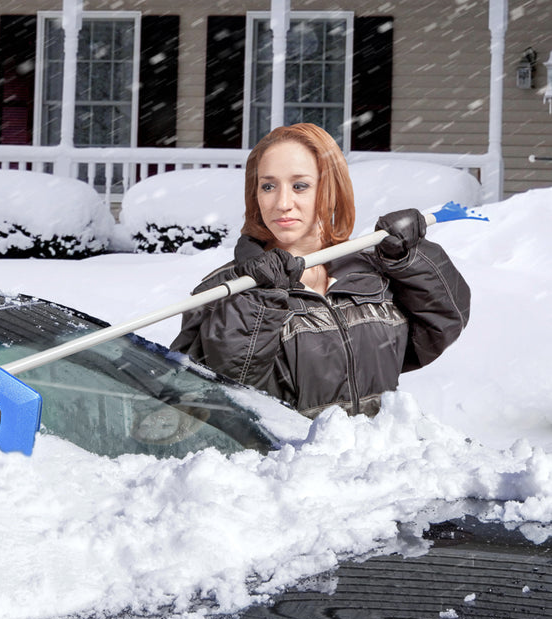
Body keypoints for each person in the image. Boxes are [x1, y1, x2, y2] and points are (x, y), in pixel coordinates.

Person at [170, 123, 471, 419]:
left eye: (300, 185)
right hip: (287, 464)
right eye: (268, 186)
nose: (282, 203)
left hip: (376, 460)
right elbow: (223, 396)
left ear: (330, 190)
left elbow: (443, 325)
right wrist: (259, 298)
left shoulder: (370, 271)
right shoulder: (225, 289)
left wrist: (409, 257)